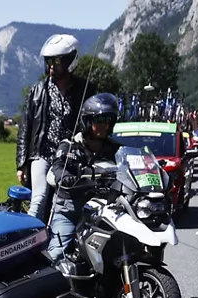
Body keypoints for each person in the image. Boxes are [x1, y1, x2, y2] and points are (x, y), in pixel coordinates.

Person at [16, 33, 88, 223]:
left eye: (57, 61)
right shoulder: (38, 90)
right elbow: (25, 127)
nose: (51, 66)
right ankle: (28, 239)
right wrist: (22, 163)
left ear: (71, 61)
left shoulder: (85, 90)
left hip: (70, 157)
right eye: (49, 61)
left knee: (65, 206)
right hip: (42, 154)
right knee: (38, 200)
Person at [45, 92, 121, 261]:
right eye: (100, 120)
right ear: (87, 121)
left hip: (103, 211)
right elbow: (56, 168)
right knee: (57, 254)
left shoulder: (116, 150)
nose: (105, 125)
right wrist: (65, 177)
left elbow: (130, 166)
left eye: (109, 120)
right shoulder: (70, 146)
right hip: (71, 211)